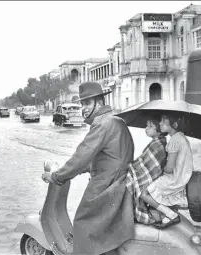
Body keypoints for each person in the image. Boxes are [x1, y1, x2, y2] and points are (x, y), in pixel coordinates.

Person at [42, 82, 135, 255]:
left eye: (86, 103)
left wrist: (56, 177)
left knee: (82, 222)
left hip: (108, 184)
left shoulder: (102, 124)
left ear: (99, 103)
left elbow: (82, 155)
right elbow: (108, 157)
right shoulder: (116, 121)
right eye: (81, 104)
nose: (82, 108)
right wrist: (78, 170)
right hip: (118, 181)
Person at [140, 113, 193, 228]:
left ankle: (171, 215)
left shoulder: (174, 141)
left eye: (164, 121)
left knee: (144, 193)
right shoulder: (181, 137)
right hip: (181, 176)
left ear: (174, 124)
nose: (160, 123)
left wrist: (160, 170)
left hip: (174, 179)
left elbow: (169, 169)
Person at [125, 118, 168, 225]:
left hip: (153, 181)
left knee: (126, 182)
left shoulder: (158, 144)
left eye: (150, 126)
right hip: (155, 178)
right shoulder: (158, 142)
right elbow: (143, 163)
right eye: (146, 125)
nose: (146, 128)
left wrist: (130, 168)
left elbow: (146, 167)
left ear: (159, 129)